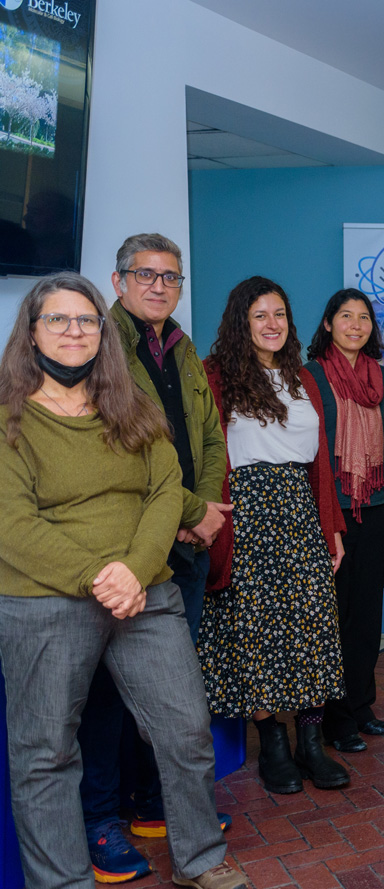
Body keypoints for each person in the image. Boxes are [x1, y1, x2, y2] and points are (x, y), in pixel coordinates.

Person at [0, 273, 247, 889]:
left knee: (185, 731)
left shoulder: (131, 407)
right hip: (45, 602)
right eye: (58, 319)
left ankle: (200, 862)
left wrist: (133, 572)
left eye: (86, 320)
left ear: (103, 331)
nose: (74, 331)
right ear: (31, 332)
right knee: (47, 755)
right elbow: (11, 523)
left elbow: (166, 491)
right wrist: (98, 576)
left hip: (146, 591)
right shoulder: (8, 418)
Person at [73, 234, 231, 882]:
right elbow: (121, 456)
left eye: (171, 276)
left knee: (169, 699)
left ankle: (151, 803)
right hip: (127, 553)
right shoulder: (99, 350)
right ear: (118, 282)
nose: (160, 286)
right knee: (108, 699)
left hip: (184, 548)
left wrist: (206, 508)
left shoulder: (180, 346)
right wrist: (192, 512)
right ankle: (102, 822)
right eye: (147, 274)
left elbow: (210, 434)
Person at [197, 276, 350, 795]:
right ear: (241, 322)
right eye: (260, 315)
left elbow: (321, 463)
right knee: (257, 635)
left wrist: (331, 525)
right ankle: (274, 746)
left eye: (280, 314)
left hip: (302, 515)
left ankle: (311, 745)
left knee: (312, 629)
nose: (272, 325)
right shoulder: (214, 376)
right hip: (247, 517)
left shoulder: (303, 379)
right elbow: (206, 458)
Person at [305, 289, 384, 752]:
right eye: (346, 316)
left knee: (367, 614)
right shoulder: (311, 377)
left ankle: (361, 706)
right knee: (334, 615)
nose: (356, 325)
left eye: (364, 318)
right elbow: (312, 452)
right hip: (332, 509)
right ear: (327, 324)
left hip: (375, 507)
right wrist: (330, 517)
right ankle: (334, 718)